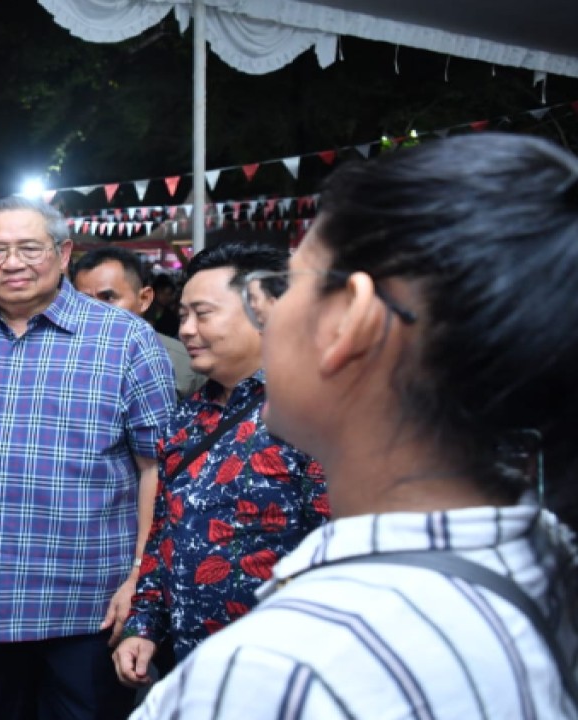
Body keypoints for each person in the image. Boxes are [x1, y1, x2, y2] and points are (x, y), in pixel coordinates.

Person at [133, 133, 578, 718]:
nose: (269, 309)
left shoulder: (282, 673)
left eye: (289, 283)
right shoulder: (545, 557)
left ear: (349, 321)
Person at [0, 196, 177, 720]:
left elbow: (157, 467)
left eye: (29, 247)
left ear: (63, 253)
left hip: (86, 606)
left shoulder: (126, 339)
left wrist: (142, 573)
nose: (13, 263)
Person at [113, 243, 329, 688]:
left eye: (203, 313)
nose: (186, 329)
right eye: (184, 314)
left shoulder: (314, 412)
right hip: (191, 666)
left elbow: (338, 551)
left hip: (280, 672)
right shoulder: (189, 417)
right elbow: (164, 532)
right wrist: (144, 625)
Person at [71, 247, 206, 399]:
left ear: (143, 299)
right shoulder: (61, 356)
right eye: (85, 300)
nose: (95, 310)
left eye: (108, 297)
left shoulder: (183, 362)